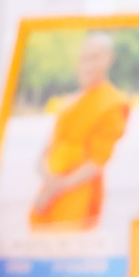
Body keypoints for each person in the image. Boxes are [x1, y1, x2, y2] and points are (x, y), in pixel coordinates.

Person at [29, 31, 127, 231]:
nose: (88, 66)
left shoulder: (112, 103)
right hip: (50, 187)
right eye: (84, 59)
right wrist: (48, 182)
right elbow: (48, 149)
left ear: (109, 58)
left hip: (78, 189)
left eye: (95, 58)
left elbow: (97, 161)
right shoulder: (69, 102)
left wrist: (60, 186)